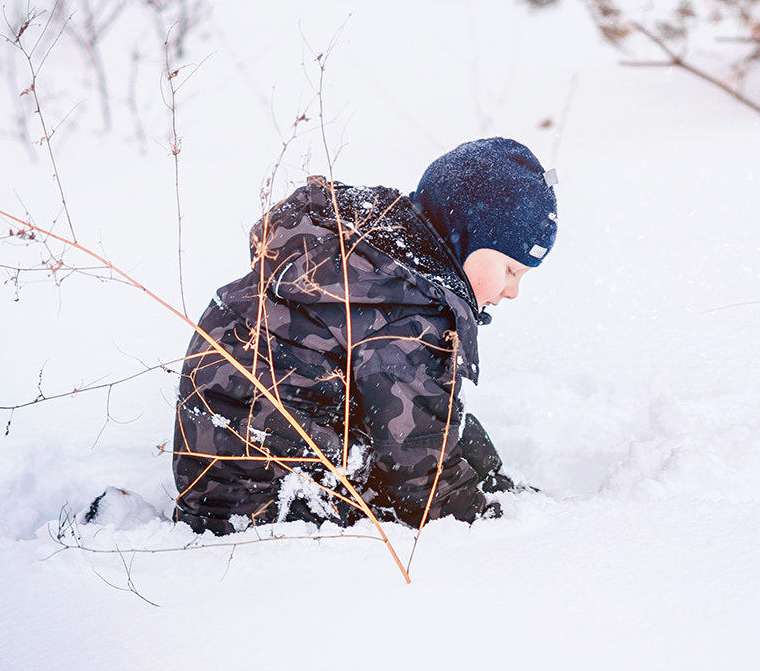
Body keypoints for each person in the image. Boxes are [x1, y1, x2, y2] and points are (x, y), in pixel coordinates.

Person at [172, 138, 557, 535]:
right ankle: (508, 504)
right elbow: (420, 480)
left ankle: (501, 486)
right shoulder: (413, 314)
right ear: (465, 236)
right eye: (510, 270)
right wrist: (487, 519)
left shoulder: (372, 251)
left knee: (453, 428)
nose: (512, 292)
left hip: (219, 466)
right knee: (422, 461)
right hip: (269, 501)